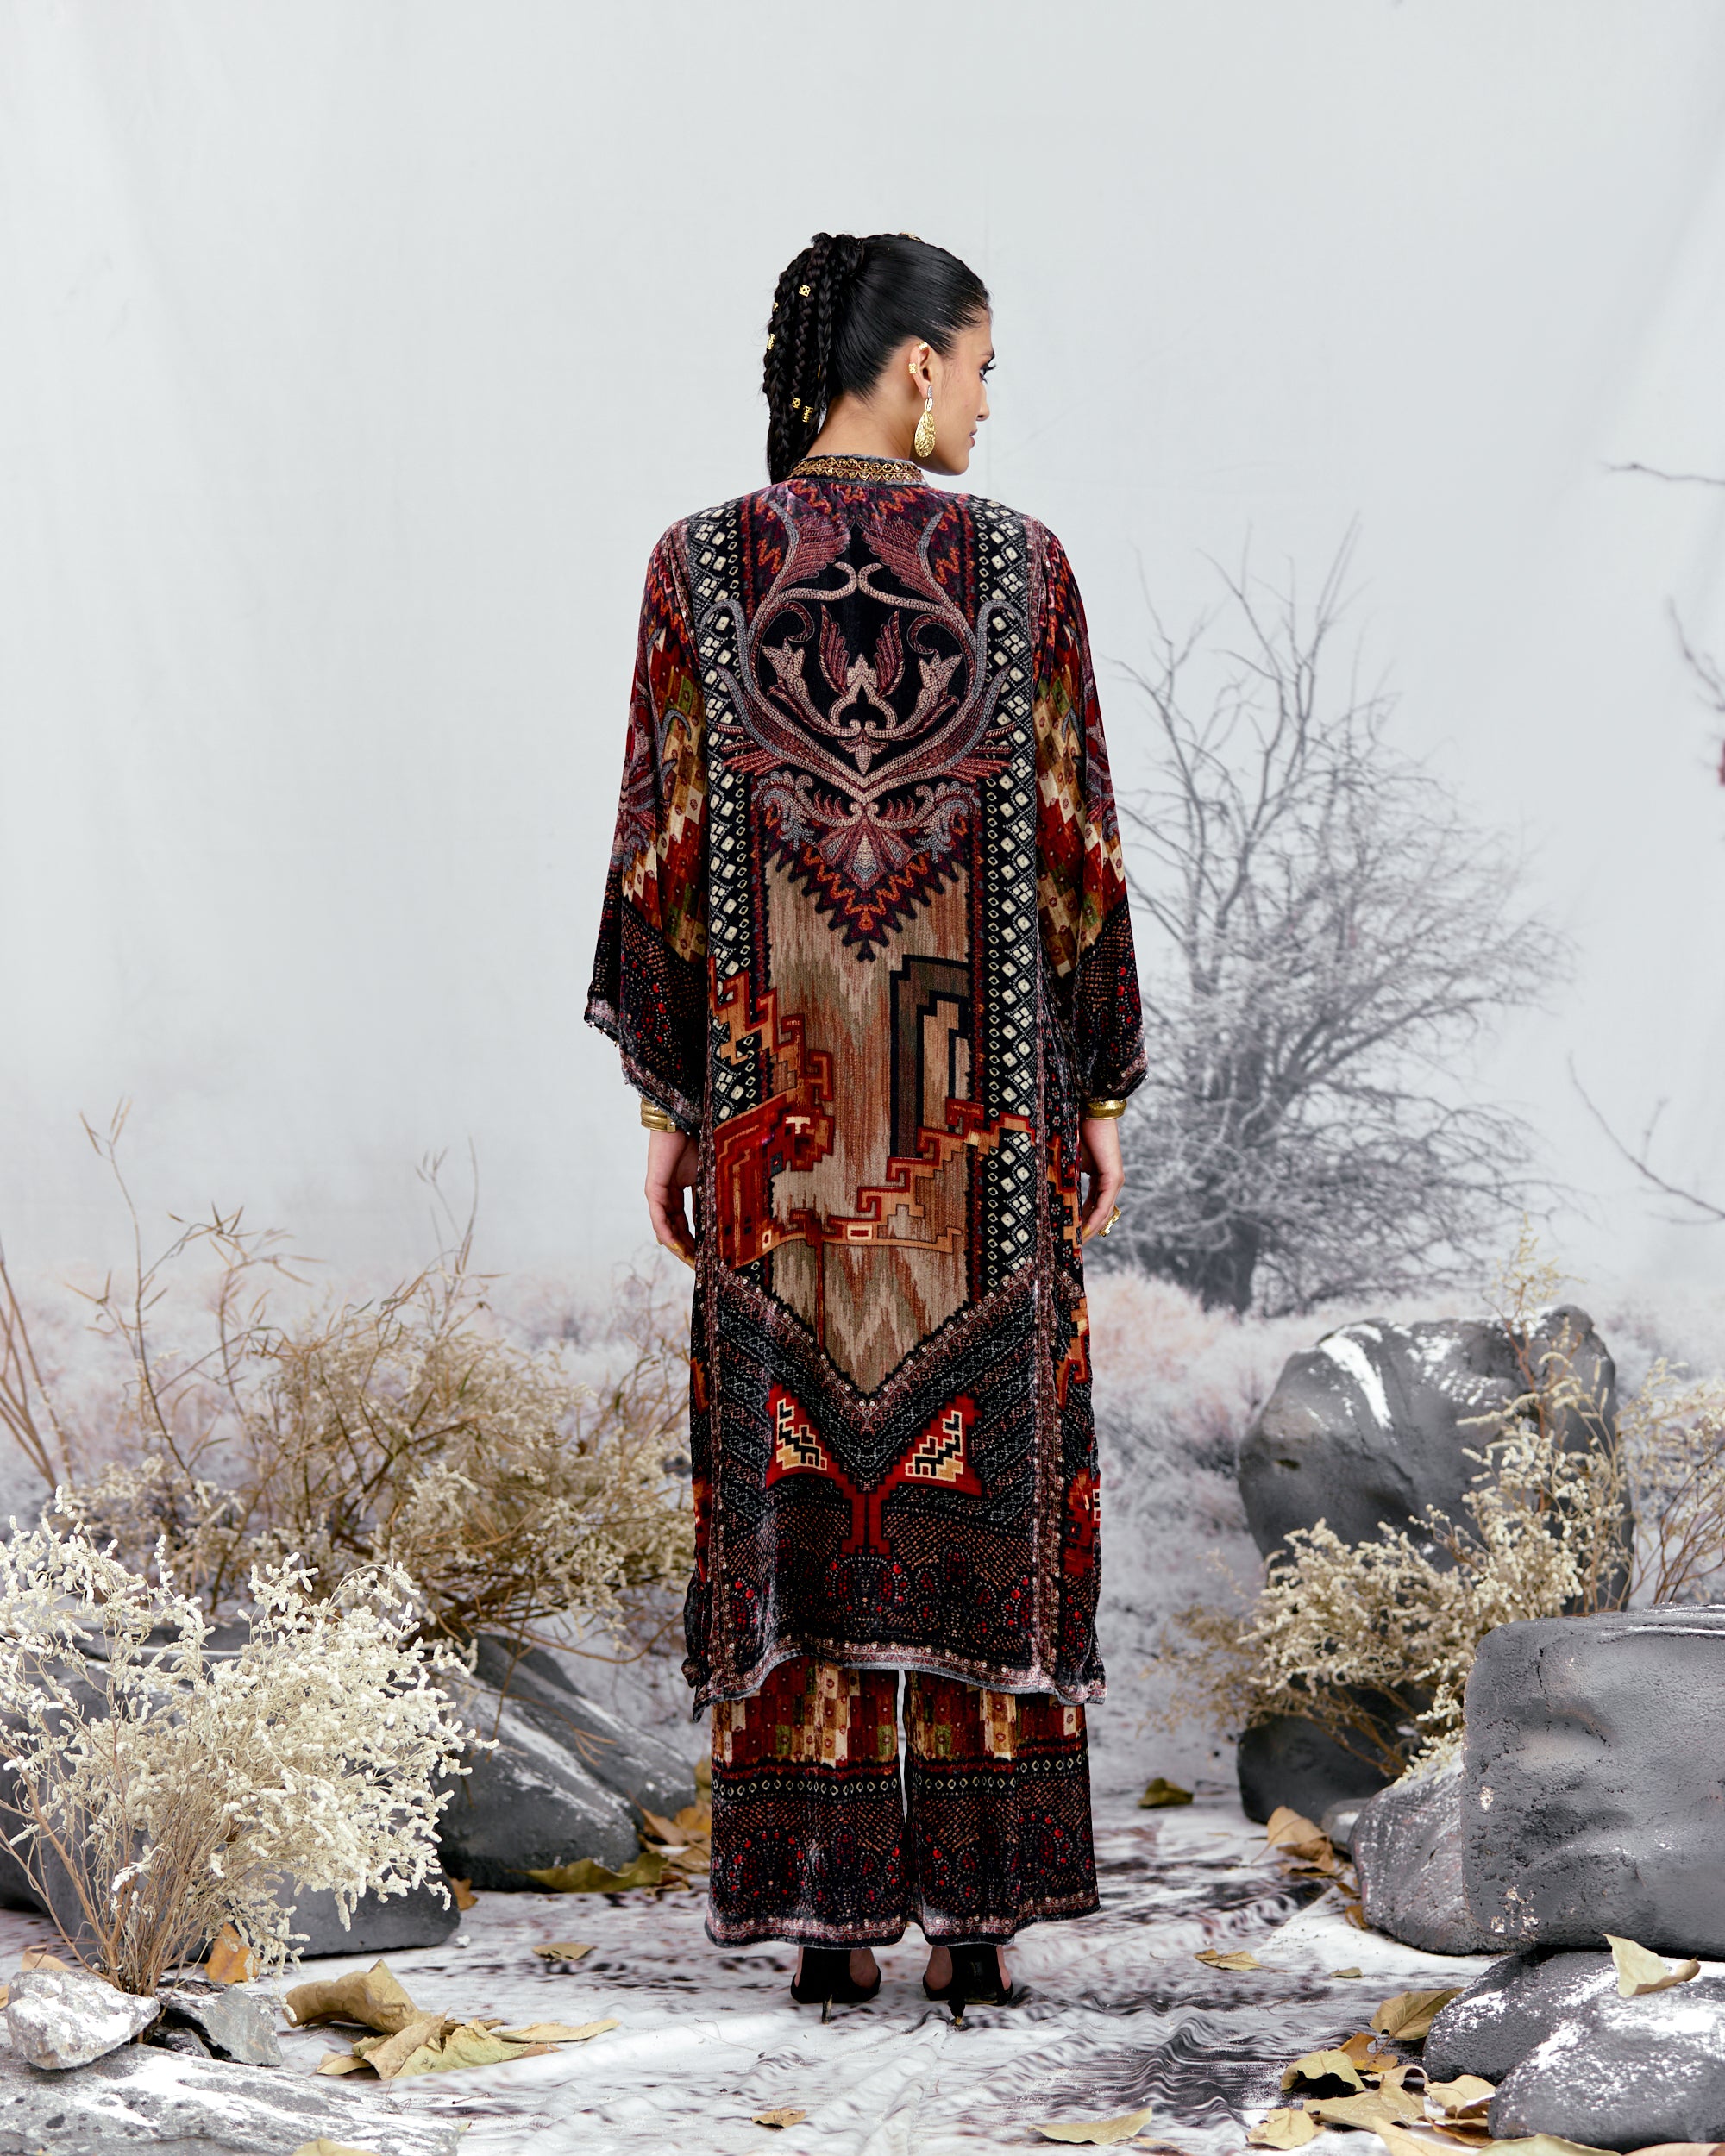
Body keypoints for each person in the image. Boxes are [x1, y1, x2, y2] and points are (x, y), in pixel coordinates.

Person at [586, 231, 1145, 2020]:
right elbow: (1076, 846)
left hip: (785, 1140)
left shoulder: (694, 569)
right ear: (914, 370)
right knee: (988, 1476)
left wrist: (677, 1106)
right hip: (976, 1146)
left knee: (798, 1488)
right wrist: (1098, 1086)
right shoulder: (1023, 566)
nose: (984, 402)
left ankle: (823, 1917)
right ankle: (977, 1917)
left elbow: (662, 853)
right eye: (979, 367)